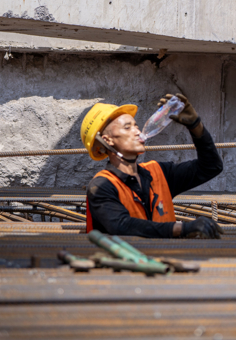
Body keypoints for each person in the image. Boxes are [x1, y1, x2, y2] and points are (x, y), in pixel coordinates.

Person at [82, 93, 224, 238]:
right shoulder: (101, 186)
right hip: (129, 253)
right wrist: (182, 228)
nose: (138, 132)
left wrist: (195, 126)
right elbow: (121, 225)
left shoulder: (158, 172)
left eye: (136, 126)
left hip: (165, 253)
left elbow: (211, 167)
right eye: (127, 127)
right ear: (108, 140)